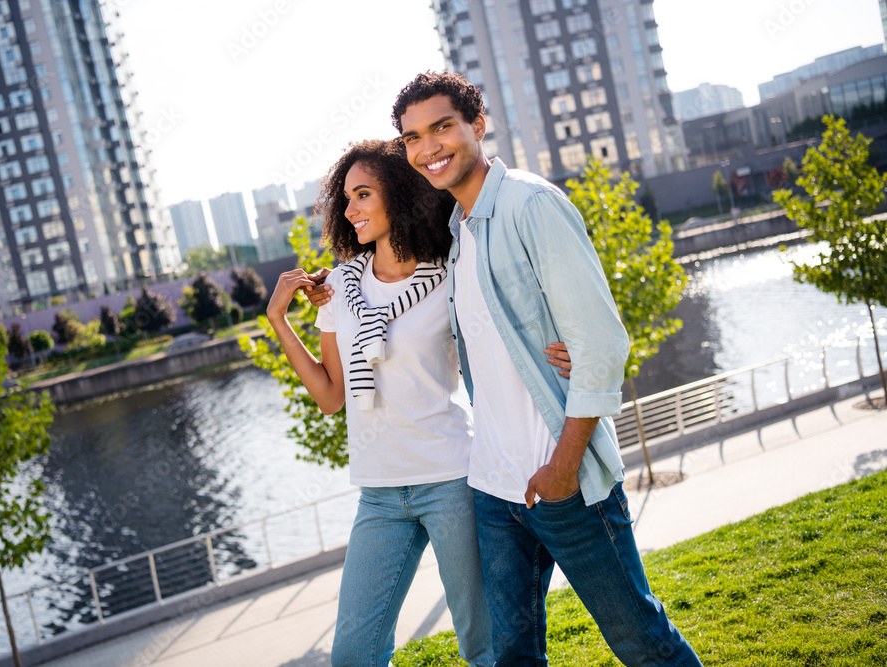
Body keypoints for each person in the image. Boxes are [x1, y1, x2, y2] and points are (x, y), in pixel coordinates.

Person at [382, 71, 704, 667]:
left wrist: (563, 464)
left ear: (478, 125)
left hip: (564, 482)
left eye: (442, 127)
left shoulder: (532, 204)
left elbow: (603, 342)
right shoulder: (456, 232)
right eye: (413, 137)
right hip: (495, 487)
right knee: (513, 656)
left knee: (640, 638)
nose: (428, 147)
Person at [267, 138, 497, 666]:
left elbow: (494, 349)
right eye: (344, 199)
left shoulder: (450, 275)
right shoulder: (341, 287)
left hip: (452, 478)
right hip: (379, 490)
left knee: (483, 643)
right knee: (353, 653)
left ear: (399, 194)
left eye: (363, 195)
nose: (349, 211)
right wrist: (279, 322)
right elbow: (329, 396)